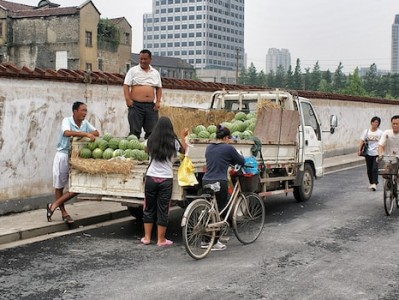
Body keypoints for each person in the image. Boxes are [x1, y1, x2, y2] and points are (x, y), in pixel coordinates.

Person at [46, 101, 99, 224]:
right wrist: (84, 134)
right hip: (63, 155)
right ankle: (64, 213)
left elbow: (96, 132)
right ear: (75, 111)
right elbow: (66, 132)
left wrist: (85, 134)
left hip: (77, 158)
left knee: (79, 186)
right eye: (82, 110)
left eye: (86, 110)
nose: (85, 113)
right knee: (59, 185)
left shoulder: (85, 123)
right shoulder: (67, 121)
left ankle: (54, 205)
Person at [141, 117, 188, 246]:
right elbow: (184, 151)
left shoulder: (150, 141)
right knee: (163, 209)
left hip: (151, 178)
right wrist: (183, 137)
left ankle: (147, 238)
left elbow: (145, 150)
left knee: (149, 208)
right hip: (165, 180)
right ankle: (161, 240)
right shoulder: (174, 142)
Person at [201, 124, 245, 251]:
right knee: (220, 210)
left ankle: (205, 240)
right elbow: (241, 161)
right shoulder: (228, 148)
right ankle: (215, 242)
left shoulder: (209, 147)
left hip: (206, 180)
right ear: (226, 138)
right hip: (219, 181)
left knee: (210, 209)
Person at [123, 49, 162, 140]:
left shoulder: (155, 73)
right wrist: (128, 99)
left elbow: (159, 88)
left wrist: (158, 102)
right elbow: (126, 85)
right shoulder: (133, 71)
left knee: (152, 132)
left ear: (150, 59)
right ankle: (133, 152)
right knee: (135, 131)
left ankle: (150, 152)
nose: (143, 61)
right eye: (141, 59)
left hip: (150, 107)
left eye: (145, 59)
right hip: (136, 106)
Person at [358, 116, 382, 191]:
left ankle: (375, 183)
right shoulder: (366, 131)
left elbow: (382, 143)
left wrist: (382, 153)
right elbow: (362, 141)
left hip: (377, 153)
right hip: (368, 153)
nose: (375, 124)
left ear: (378, 124)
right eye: (374, 122)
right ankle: (371, 183)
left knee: (374, 169)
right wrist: (359, 150)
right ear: (371, 122)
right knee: (369, 169)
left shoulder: (380, 133)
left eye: (377, 122)